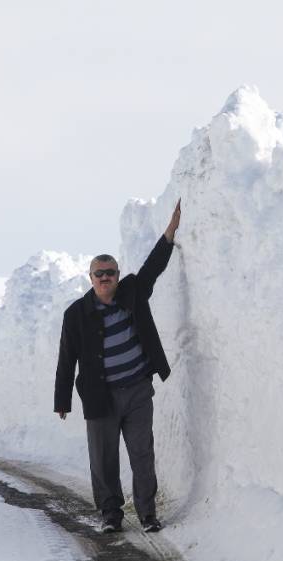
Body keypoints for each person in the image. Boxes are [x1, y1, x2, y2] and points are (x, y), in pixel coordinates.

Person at [54, 200, 181, 534]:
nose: (106, 278)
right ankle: (111, 514)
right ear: (91, 278)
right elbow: (67, 358)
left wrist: (169, 233)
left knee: (142, 454)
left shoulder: (133, 292)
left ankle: (147, 514)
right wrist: (62, 400)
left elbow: (153, 267)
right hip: (100, 397)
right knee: (103, 460)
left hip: (138, 390)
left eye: (111, 273)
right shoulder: (76, 314)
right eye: (100, 274)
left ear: (118, 275)